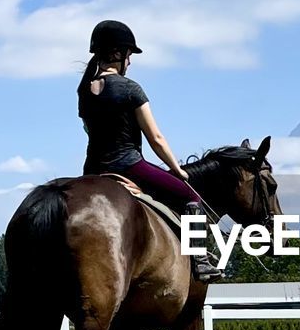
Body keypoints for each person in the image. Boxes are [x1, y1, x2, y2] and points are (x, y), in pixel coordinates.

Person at [77, 20, 222, 281]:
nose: (130, 62)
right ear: (118, 54)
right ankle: (201, 262)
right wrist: (178, 171)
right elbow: (155, 138)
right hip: (129, 165)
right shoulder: (130, 89)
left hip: (92, 170)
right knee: (191, 198)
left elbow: (89, 131)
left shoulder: (85, 91)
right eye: (129, 55)